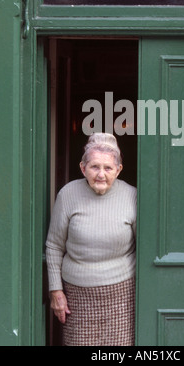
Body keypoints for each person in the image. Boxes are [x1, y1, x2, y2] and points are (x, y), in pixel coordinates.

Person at [45, 133, 137, 346]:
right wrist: (55, 290)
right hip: (77, 296)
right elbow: (54, 245)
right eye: (95, 167)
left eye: (108, 168)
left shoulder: (132, 196)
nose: (101, 174)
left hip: (121, 295)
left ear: (119, 170)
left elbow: (146, 247)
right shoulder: (68, 194)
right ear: (82, 168)